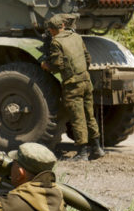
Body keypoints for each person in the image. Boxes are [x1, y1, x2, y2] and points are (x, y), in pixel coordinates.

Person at [40, 14, 105, 161]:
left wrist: (46, 66)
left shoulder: (56, 42)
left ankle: (82, 152)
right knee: (89, 115)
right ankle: (97, 148)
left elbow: (57, 65)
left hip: (72, 84)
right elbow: (87, 58)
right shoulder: (76, 37)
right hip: (86, 81)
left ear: (52, 29)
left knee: (77, 117)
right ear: (63, 25)